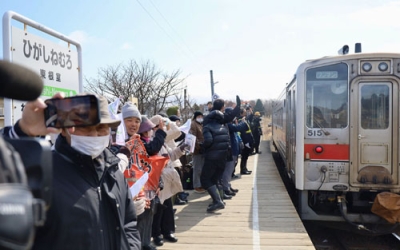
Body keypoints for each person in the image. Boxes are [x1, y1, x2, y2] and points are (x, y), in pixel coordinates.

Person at [4, 94, 141, 250]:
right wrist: (21, 131)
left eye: (101, 127)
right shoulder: (44, 169)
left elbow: (129, 224)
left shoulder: (114, 170)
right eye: (86, 127)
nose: (95, 135)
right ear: (64, 130)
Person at [121, 104, 166, 250]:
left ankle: (145, 244)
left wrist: (158, 183)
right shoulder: (114, 141)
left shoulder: (139, 141)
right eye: (129, 120)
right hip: (125, 192)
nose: (133, 124)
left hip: (144, 188)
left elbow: (148, 162)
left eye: (136, 121)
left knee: (148, 213)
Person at [201, 97, 240, 213]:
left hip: (212, 158)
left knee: (205, 180)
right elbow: (230, 116)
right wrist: (238, 106)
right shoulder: (223, 126)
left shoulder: (207, 127)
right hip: (223, 158)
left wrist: (202, 145)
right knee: (216, 179)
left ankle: (218, 201)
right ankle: (220, 199)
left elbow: (208, 141)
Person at [189, 111, 206, 194]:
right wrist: (198, 146)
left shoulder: (201, 124)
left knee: (201, 168)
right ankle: (196, 185)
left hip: (202, 149)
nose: (200, 117)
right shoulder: (193, 124)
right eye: (199, 116)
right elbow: (193, 137)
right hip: (197, 150)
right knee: (197, 169)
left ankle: (201, 184)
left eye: (201, 116)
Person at [238, 108, 254, 175]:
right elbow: (242, 132)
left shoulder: (245, 119)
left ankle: (245, 168)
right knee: (244, 156)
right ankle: (243, 169)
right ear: (241, 113)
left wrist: (251, 112)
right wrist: (245, 142)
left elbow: (250, 117)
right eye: (244, 112)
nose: (246, 113)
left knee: (246, 156)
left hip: (248, 139)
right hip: (245, 140)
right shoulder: (240, 120)